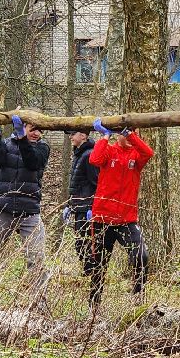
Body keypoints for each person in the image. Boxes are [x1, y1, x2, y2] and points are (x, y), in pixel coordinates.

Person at [0, 114, 50, 298]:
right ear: (23, 127)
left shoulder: (43, 148)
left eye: (40, 130)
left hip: (29, 211)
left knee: (37, 259)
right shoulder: (6, 144)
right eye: (33, 129)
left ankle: (39, 307)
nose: (36, 134)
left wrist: (23, 138)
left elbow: (32, 163)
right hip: (3, 209)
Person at [85, 121, 154, 306]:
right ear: (117, 134)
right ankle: (94, 305)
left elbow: (149, 153)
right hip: (102, 218)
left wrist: (131, 135)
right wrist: (106, 135)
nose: (132, 137)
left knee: (141, 256)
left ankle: (137, 297)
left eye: (134, 133)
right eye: (127, 133)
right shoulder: (109, 151)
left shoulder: (136, 155)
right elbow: (95, 160)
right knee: (99, 265)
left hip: (126, 220)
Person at [65, 127, 99, 271]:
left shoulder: (89, 155)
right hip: (79, 207)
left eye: (73, 134)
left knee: (86, 246)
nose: (70, 137)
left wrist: (93, 207)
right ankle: (86, 274)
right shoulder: (79, 154)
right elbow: (76, 183)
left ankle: (91, 275)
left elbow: (97, 183)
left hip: (87, 209)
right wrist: (69, 205)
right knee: (80, 244)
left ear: (83, 136)